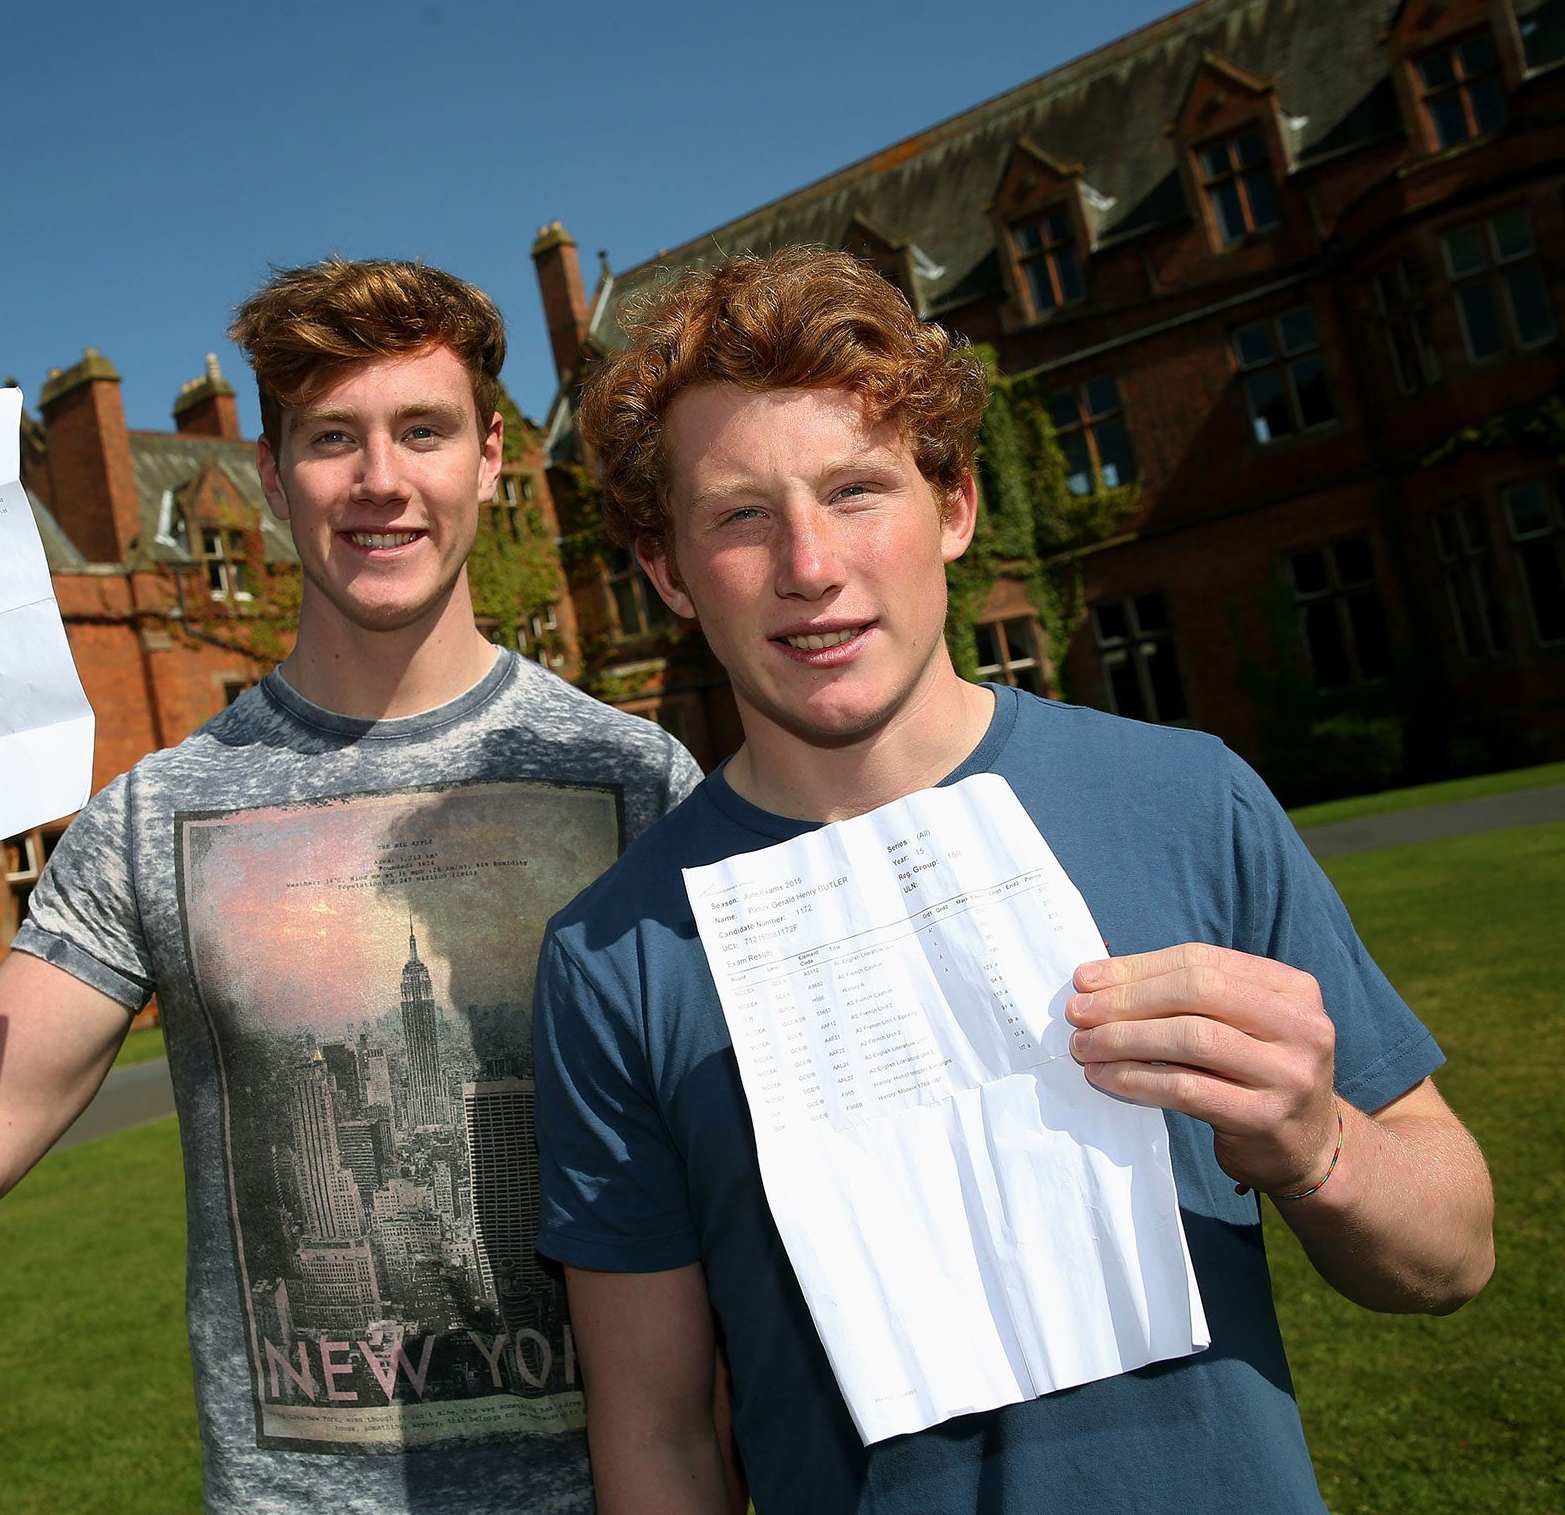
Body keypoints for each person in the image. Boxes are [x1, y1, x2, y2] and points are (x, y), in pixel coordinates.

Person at [0, 258, 702, 1514]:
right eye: (333, 438)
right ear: (272, 478)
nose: (380, 480)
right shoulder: (151, 816)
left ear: (489, 457)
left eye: (423, 431)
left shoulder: (635, 778)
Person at [529, 246, 1496, 1514]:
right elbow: (657, 1439)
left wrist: (1317, 1145)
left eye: (857, 490)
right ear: (665, 572)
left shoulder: (1185, 800)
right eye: (739, 515)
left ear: (957, 508)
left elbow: (1450, 1257)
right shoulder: (613, 955)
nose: (809, 566)